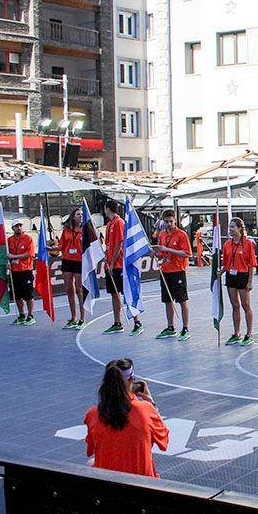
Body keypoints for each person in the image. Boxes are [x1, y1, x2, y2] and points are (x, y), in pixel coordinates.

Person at [84, 357, 169, 478]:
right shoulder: (145, 410)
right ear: (132, 380)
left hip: (106, 487)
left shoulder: (92, 414)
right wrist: (153, 406)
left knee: (90, 463)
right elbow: (164, 439)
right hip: (143, 487)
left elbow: (92, 448)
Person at [101, 200, 141, 335]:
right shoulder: (109, 225)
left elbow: (119, 244)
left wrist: (112, 263)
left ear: (107, 209)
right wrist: (106, 257)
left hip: (118, 265)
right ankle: (117, 322)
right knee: (114, 293)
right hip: (110, 264)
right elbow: (110, 245)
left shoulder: (119, 223)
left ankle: (137, 321)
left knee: (126, 292)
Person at [154, 209, 191, 340]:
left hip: (178, 271)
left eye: (171, 221)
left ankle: (185, 328)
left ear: (175, 220)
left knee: (182, 300)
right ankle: (170, 327)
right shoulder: (162, 235)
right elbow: (163, 254)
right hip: (166, 270)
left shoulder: (181, 235)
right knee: (167, 300)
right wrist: (158, 254)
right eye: (167, 222)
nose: (169, 224)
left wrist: (168, 249)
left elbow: (187, 253)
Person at [222, 217, 256, 346]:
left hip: (243, 275)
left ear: (240, 229)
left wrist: (250, 281)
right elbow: (226, 262)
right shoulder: (227, 244)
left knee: (245, 305)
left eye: (232, 227)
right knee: (234, 305)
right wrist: (221, 271)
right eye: (229, 227)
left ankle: (249, 334)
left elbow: (252, 263)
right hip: (231, 276)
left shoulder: (247, 244)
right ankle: (236, 333)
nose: (230, 229)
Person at [49, 208, 86, 329]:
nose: (80, 216)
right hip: (67, 260)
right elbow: (61, 246)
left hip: (79, 261)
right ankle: (73, 318)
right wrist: (52, 249)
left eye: (81, 214)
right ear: (73, 217)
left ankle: (82, 318)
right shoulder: (66, 230)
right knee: (69, 289)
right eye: (78, 214)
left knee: (80, 290)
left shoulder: (85, 230)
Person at [7, 218, 35, 325]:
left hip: (26, 270)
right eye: (16, 226)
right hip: (15, 270)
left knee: (28, 294)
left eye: (20, 226)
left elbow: (29, 254)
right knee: (17, 294)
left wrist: (14, 256)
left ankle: (30, 315)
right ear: (13, 228)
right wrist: (9, 262)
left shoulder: (28, 239)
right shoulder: (10, 240)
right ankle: (21, 314)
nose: (19, 228)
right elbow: (7, 254)